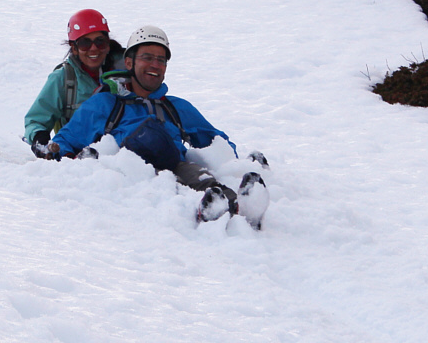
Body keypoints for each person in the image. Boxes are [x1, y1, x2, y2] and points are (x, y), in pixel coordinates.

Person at [47, 25, 268, 225]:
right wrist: (62, 155)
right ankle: (208, 212)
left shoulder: (175, 107)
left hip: (175, 165)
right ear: (129, 62)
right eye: (147, 57)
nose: (155, 65)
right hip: (129, 174)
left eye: (161, 60)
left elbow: (217, 143)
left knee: (201, 178)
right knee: (163, 187)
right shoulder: (105, 102)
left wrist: (234, 160)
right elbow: (66, 140)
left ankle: (236, 207)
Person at [24, 9, 124, 159]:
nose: (93, 48)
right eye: (85, 43)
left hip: (122, 153)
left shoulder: (126, 71)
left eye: (100, 42)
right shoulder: (63, 78)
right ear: (74, 48)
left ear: (108, 44)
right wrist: (40, 139)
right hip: (76, 155)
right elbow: (37, 119)